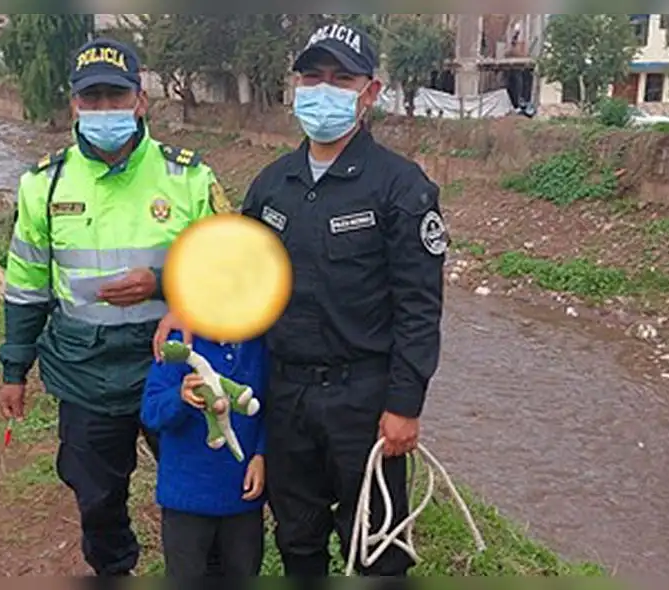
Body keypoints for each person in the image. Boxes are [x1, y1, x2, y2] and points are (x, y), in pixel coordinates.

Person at [154, 21, 448, 577]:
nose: (324, 90)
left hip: (363, 397)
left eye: (341, 78)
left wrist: (405, 404)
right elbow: (238, 270)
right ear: (296, 87)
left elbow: (419, 306)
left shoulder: (400, 187)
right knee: (297, 537)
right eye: (313, 76)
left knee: (377, 547)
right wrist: (188, 305)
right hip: (285, 392)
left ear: (370, 92)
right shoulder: (272, 184)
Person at [0, 37, 233, 577]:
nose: (105, 110)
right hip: (86, 374)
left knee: (200, 490)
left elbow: (230, 267)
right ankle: (113, 570)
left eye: (116, 96)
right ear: (75, 104)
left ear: (140, 100)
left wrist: (161, 281)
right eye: (93, 98)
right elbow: (27, 286)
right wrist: (14, 370)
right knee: (97, 497)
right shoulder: (43, 184)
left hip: (174, 369)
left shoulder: (188, 177)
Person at [140, 331, 268, 577]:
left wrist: (261, 454)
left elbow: (269, 405)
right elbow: (151, 412)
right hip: (187, 497)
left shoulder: (256, 345)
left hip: (241, 494)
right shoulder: (179, 347)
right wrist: (179, 396)